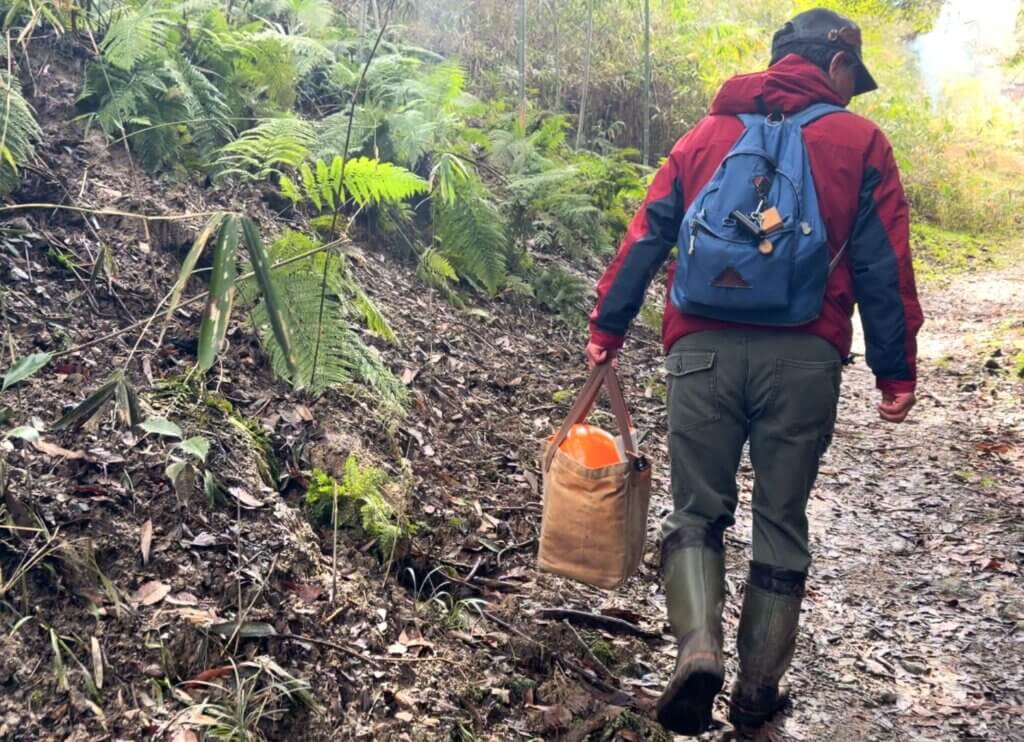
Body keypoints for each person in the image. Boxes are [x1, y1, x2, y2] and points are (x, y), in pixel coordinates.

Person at [585, 8, 924, 737]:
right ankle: (755, 696)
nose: (854, 94)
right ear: (833, 66)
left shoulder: (704, 137)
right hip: (803, 357)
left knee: (695, 511)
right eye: (851, 79)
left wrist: (608, 326)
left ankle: (698, 649)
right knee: (780, 521)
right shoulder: (859, 142)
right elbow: (883, 266)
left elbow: (647, 233)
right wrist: (895, 369)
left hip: (700, 348)